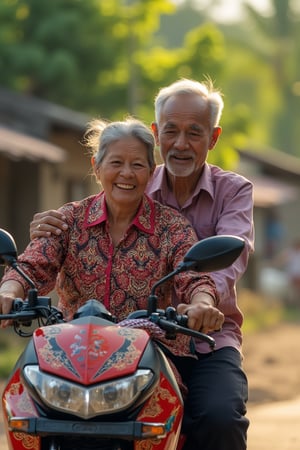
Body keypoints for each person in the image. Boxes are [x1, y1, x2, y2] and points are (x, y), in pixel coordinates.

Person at [27, 78, 255, 450]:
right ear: (156, 133)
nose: (181, 143)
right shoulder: (125, 185)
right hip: (115, 344)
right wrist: (44, 231)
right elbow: (63, 238)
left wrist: (203, 303)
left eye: (194, 133)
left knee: (219, 418)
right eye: (171, 131)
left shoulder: (232, 192)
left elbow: (230, 257)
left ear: (213, 138)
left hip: (203, 337)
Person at [0, 117, 221, 349]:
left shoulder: (172, 227)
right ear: (97, 165)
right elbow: (32, 266)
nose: (126, 173)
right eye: (116, 162)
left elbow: (195, 278)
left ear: (150, 172)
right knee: (25, 380)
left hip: (145, 358)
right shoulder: (68, 220)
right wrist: (8, 291)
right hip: (69, 353)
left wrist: (202, 304)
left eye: (137, 165)